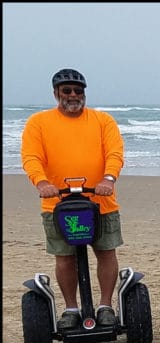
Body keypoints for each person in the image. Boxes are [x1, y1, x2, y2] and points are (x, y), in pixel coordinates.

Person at [21, 68, 125, 329]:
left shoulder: (102, 121)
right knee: (64, 256)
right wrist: (42, 182)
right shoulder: (39, 122)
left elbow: (114, 153)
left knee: (106, 251)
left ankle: (105, 306)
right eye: (66, 91)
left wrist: (108, 179)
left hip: (100, 202)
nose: (73, 95)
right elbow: (32, 157)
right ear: (56, 93)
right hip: (57, 205)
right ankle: (70, 308)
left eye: (78, 91)